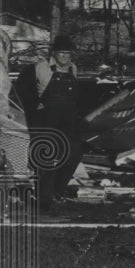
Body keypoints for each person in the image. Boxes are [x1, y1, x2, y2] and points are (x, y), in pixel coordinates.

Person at [30, 34, 83, 209]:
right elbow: (26, 93)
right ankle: (44, 197)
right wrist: (35, 108)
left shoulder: (73, 68)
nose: (65, 57)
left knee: (73, 153)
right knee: (48, 156)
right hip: (47, 120)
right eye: (62, 54)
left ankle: (58, 191)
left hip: (68, 120)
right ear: (54, 53)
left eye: (68, 54)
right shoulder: (41, 67)